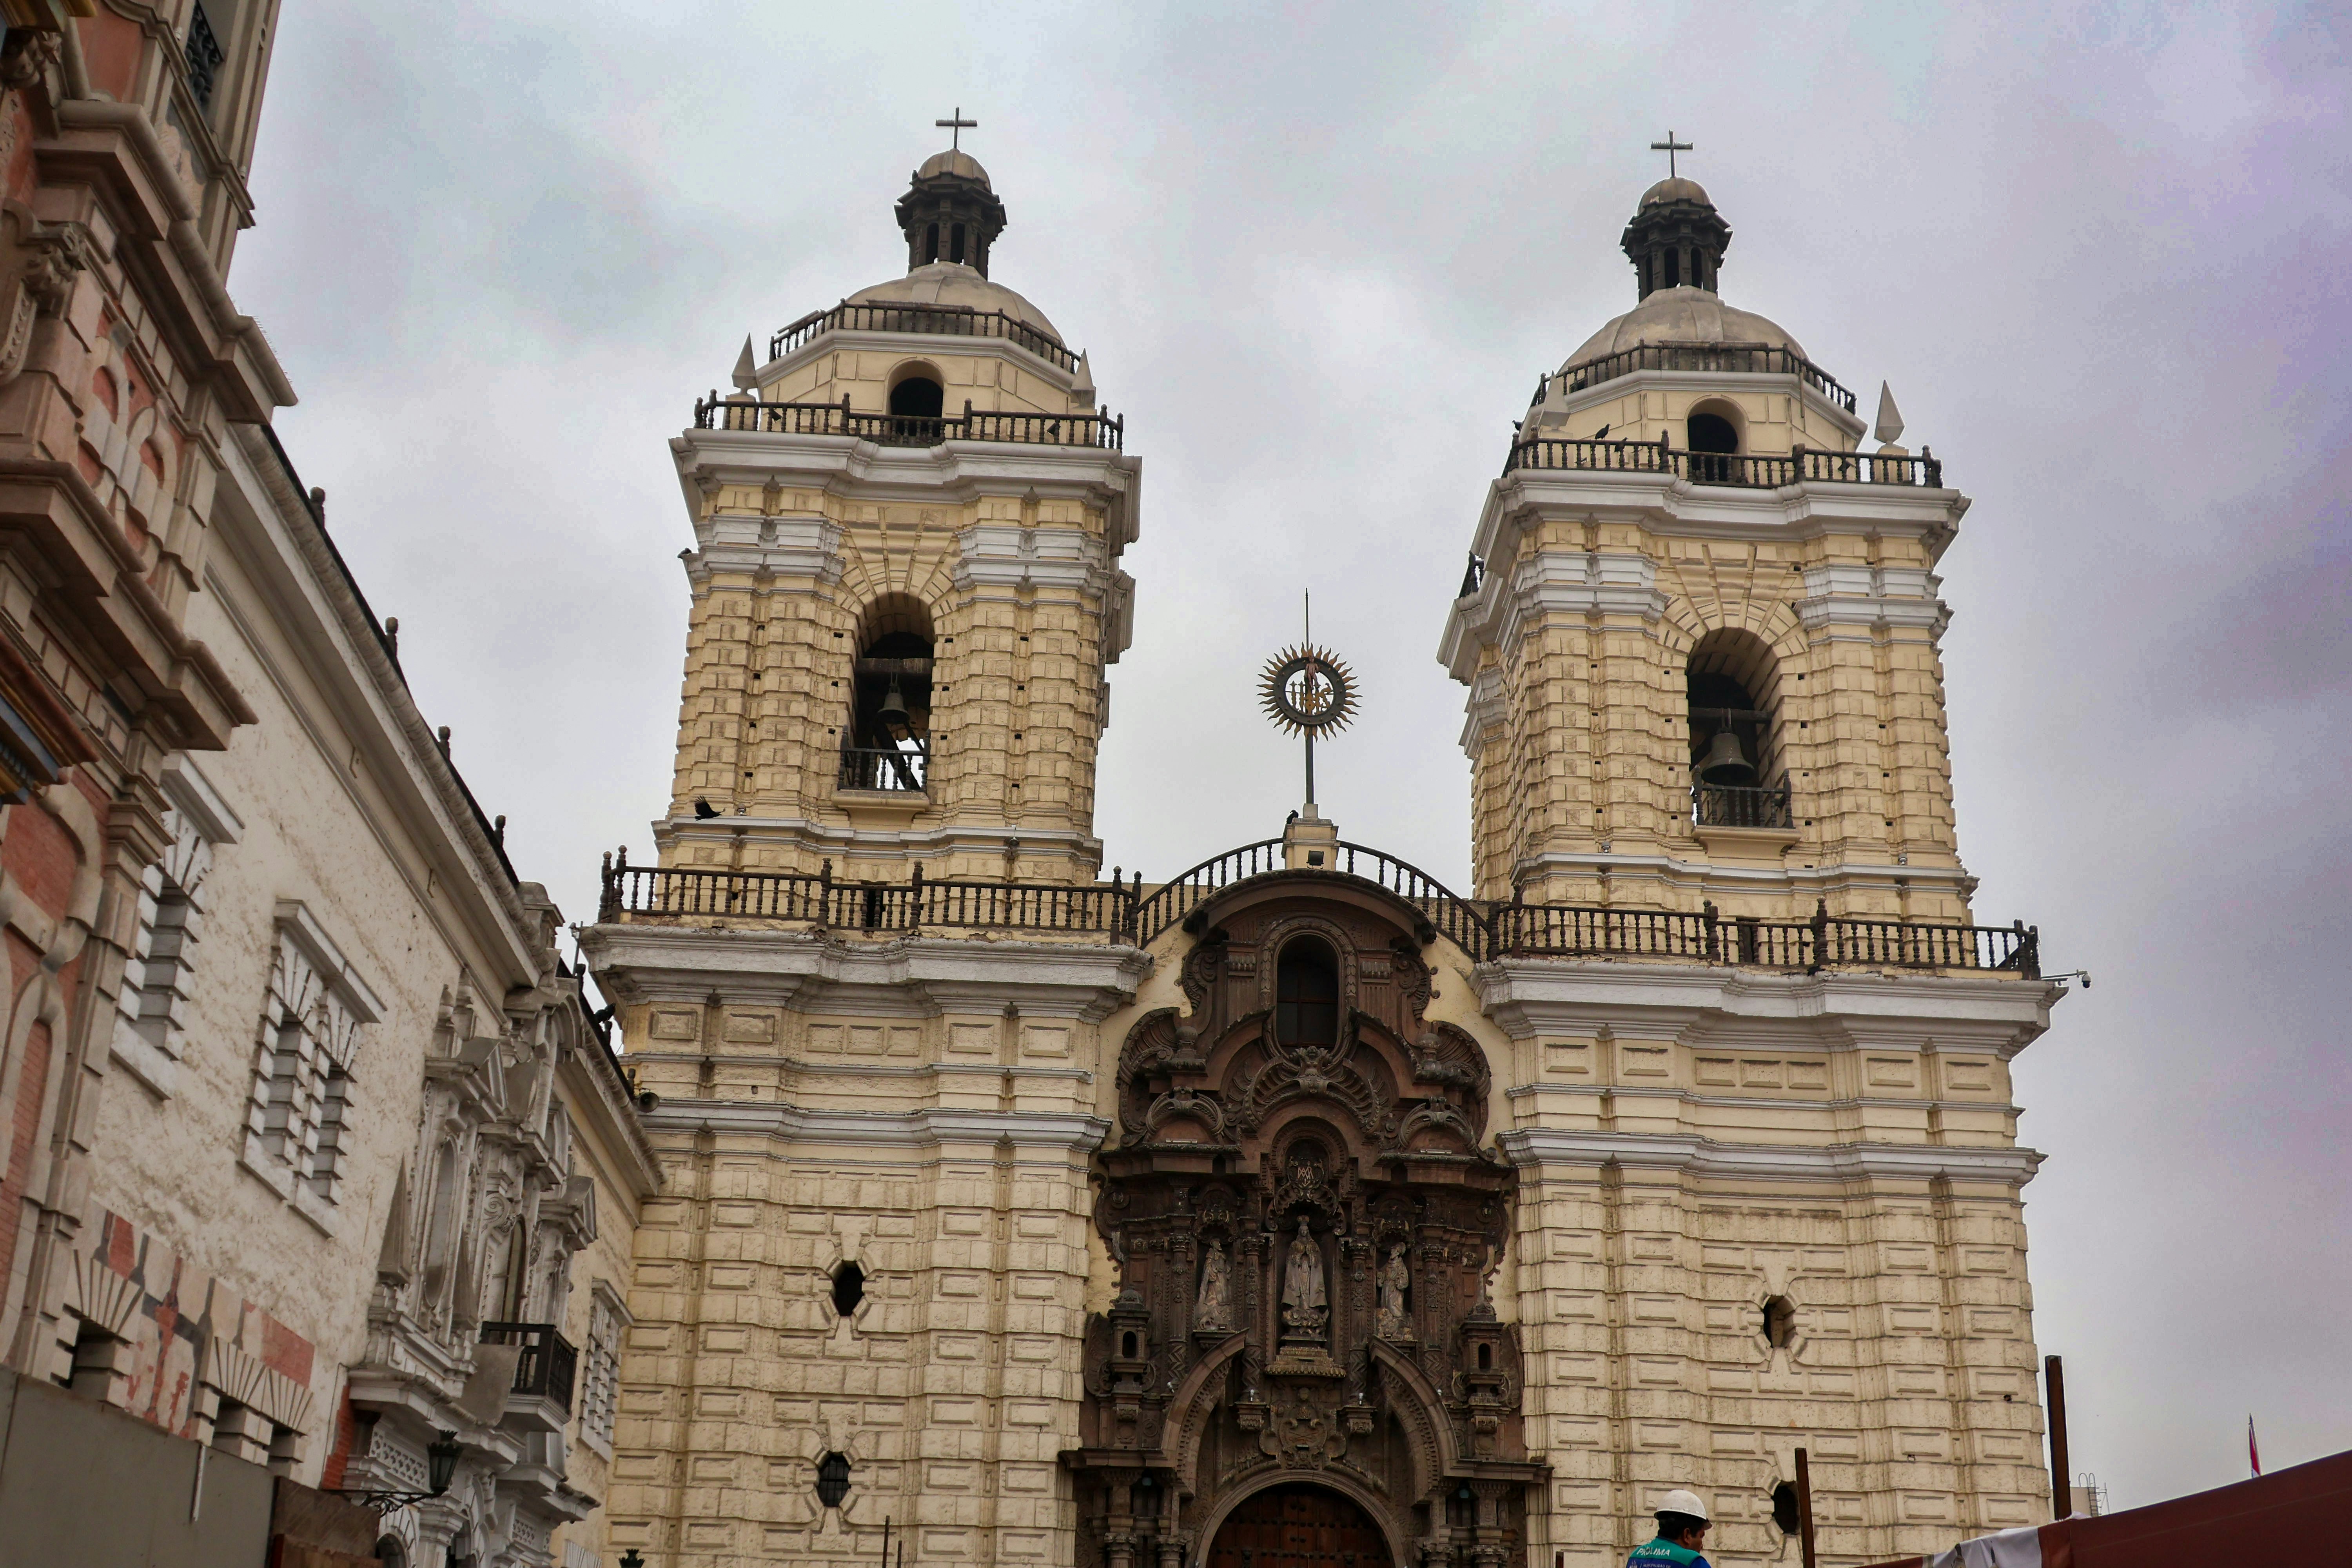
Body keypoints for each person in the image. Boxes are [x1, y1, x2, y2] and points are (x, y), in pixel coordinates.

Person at [1626, 1490, 1712, 1567]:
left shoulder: (1636, 1556)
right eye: (1701, 1537)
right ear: (1687, 1535)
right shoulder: (1693, 1561)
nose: (1702, 1545)